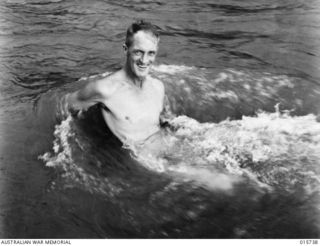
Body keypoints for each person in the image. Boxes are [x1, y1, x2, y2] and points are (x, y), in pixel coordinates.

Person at [62, 20, 171, 147]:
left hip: (168, 151)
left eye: (150, 53)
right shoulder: (105, 89)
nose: (144, 60)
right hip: (142, 163)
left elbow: (165, 123)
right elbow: (65, 104)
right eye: (138, 52)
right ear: (126, 49)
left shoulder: (158, 87)